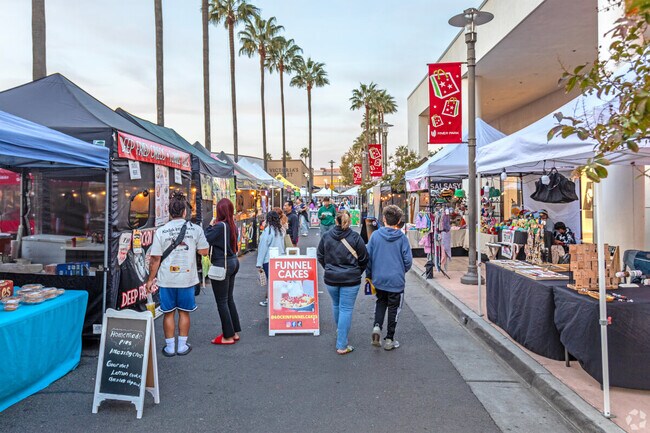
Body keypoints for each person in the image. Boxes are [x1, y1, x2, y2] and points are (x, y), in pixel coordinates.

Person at [146, 192, 209, 357]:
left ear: (169, 212)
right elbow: (204, 252)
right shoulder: (195, 229)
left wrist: (150, 280)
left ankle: (169, 347)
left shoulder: (161, 231)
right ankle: (181, 346)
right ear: (184, 212)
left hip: (166, 279)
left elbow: (155, 259)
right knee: (184, 312)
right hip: (187, 279)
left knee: (168, 313)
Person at [317, 211, 368, 355]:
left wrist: (328, 268)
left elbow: (320, 255)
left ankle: (341, 331)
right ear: (349, 221)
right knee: (345, 309)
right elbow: (364, 258)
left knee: (336, 305)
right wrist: (358, 272)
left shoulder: (327, 236)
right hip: (351, 279)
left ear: (335, 220)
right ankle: (342, 344)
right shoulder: (355, 238)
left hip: (331, 278)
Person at [366, 205, 413, 351]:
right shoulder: (402, 238)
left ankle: (376, 326)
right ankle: (389, 339)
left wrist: (370, 274)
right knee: (394, 308)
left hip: (379, 278)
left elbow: (369, 258)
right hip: (396, 280)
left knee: (381, 302)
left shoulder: (375, 236)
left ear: (383, 219)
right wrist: (400, 270)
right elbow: (408, 261)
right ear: (399, 220)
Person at [205, 198, 241, 345]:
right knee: (228, 298)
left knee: (222, 302)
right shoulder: (232, 225)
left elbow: (206, 238)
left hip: (222, 264)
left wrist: (209, 225)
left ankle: (228, 335)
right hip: (233, 262)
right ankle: (234, 331)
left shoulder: (219, 226)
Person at [256, 211, 286, 307]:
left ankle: (270, 300)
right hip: (279, 258)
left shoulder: (267, 231)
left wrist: (259, 263)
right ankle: (278, 299)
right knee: (277, 281)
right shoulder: (281, 230)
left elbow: (263, 247)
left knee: (271, 282)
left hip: (268, 260)